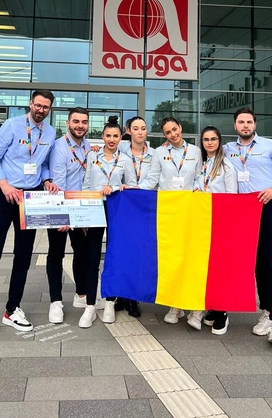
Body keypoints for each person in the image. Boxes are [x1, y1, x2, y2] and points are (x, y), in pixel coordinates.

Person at [0, 89, 58, 341]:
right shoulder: (11, 125)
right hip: (4, 195)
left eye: (46, 107)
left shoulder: (50, 133)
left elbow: (44, 163)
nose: (41, 110)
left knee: (24, 255)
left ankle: (12, 309)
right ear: (31, 104)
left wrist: (47, 180)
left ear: (50, 109)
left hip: (30, 200)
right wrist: (5, 185)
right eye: (38, 105)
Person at [224, 107, 272, 348]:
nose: (245, 125)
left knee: (271, 264)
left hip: (270, 207)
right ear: (235, 125)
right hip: (243, 210)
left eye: (249, 122)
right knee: (253, 263)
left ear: (254, 125)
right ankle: (265, 310)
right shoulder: (227, 149)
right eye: (241, 122)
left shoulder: (271, 146)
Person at [143, 117, 202, 328]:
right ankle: (175, 304)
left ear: (181, 127)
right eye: (168, 132)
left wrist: (198, 190)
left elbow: (199, 177)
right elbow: (152, 179)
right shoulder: (159, 153)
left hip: (190, 210)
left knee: (190, 258)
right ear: (164, 135)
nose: (173, 134)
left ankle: (193, 304)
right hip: (168, 212)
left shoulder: (195, 151)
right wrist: (133, 190)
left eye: (174, 129)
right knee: (172, 258)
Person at [80, 116, 133, 329]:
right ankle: (90, 305)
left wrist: (119, 188)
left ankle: (110, 301)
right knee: (91, 257)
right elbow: (85, 185)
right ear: (102, 136)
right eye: (108, 135)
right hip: (94, 208)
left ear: (121, 137)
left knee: (113, 256)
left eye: (115, 136)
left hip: (116, 209)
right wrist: (83, 213)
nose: (111, 139)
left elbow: (132, 185)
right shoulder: (92, 156)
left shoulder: (125, 160)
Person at [48, 107, 94, 324]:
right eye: (76, 121)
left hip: (80, 208)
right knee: (56, 254)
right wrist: (63, 216)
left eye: (84, 122)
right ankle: (55, 301)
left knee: (82, 252)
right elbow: (58, 183)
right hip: (59, 206)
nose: (80, 126)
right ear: (68, 123)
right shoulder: (59, 147)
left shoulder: (88, 146)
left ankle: (81, 294)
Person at [194, 125, 238, 335]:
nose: (210, 142)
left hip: (220, 222)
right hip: (203, 220)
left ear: (219, 141)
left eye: (213, 139)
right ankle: (212, 306)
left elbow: (231, 195)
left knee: (220, 267)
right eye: (206, 139)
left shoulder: (226, 166)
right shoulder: (203, 164)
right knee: (207, 267)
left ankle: (223, 311)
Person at [119, 115, 155, 317]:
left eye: (143, 128)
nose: (140, 132)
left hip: (145, 208)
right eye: (136, 128)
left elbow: (156, 179)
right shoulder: (119, 151)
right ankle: (121, 295)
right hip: (124, 206)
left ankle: (134, 297)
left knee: (140, 253)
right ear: (128, 131)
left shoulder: (156, 154)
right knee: (123, 250)